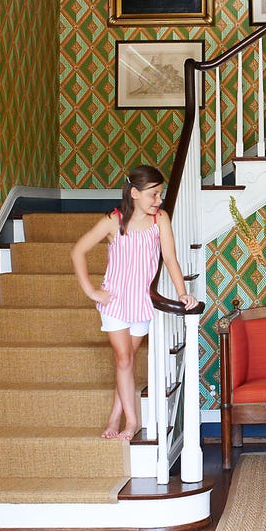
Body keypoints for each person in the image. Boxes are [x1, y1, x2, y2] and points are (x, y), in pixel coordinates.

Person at [71, 165, 197, 441]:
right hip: (115, 302)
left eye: (161, 194)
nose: (159, 200)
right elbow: (78, 250)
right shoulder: (113, 222)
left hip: (142, 303)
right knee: (124, 358)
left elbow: (170, 258)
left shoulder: (160, 220)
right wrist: (92, 291)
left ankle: (115, 415)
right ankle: (132, 420)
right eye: (153, 194)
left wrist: (182, 292)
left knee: (125, 362)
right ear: (135, 193)